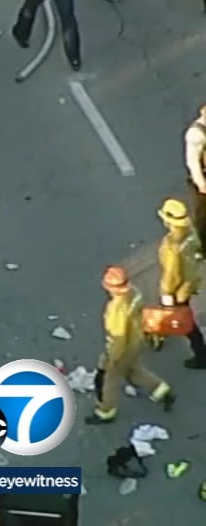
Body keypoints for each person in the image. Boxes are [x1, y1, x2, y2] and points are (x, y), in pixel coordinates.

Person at [85, 266, 176, 424]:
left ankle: (106, 412)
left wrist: (112, 357)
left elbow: (118, 337)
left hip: (123, 348)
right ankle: (161, 390)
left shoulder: (117, 309)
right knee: (134, 371)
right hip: (136, 340)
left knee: (111, 380)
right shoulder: (134, 293)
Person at [154, 198, 206, 368]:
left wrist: (166, 293)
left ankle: (201, 354)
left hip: (178, 289)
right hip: (190, 282)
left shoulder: (172, 245)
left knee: (185, 320)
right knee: (183, 314)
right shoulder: (190, 233)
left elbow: (172, 274)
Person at [186, 103, 206, 254]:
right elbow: (193, 161)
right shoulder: (196, 133)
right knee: (203, 215)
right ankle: (204, 245)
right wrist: (201, 183)